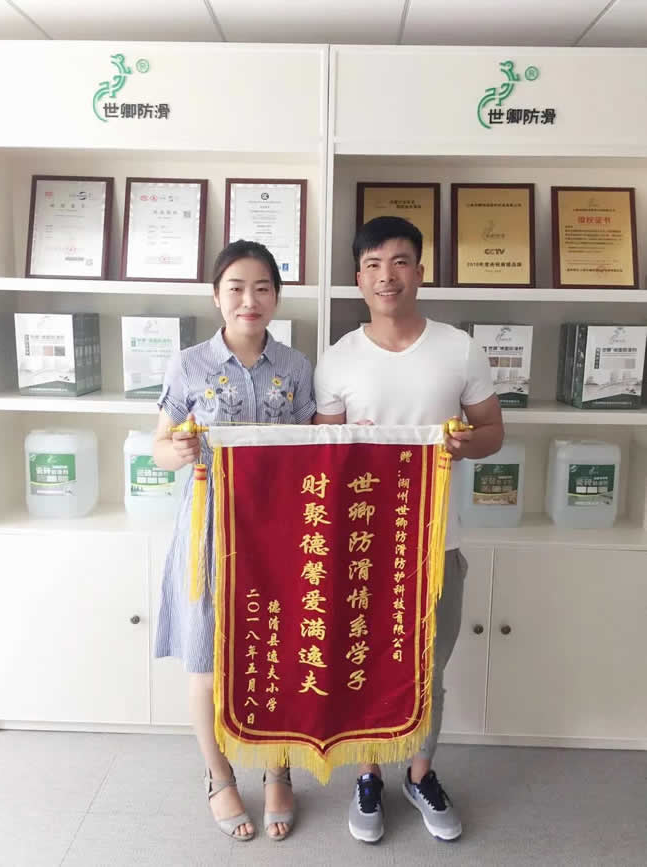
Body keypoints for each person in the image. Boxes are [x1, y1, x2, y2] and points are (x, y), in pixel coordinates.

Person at [313, 215, 503, 844]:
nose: (386, 276)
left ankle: (420, 774)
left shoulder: (458, 349)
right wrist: (351, 445)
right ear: (358, 278)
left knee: (428, 667)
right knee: (363, 661)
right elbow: (321, 454)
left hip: (436, 541)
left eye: (399, 262)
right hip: (361, 544)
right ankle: (368, 774)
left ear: (419, 271)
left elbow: (492, 432)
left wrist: (461, 443)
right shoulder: (339, 358)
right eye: (372, 264)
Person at [153, 240, 316, 842]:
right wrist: (178, 449)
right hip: (208, 529)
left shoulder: (296, 367)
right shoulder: (188, 364)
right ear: (216, 296)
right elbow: (158, 448)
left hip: (279, 529)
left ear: (277, 297)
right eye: (236, 288)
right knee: (206, 659)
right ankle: (218, 775)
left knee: (277, 649)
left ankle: (278, 769)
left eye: (263, 288)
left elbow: (313, 449)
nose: (250, 300)